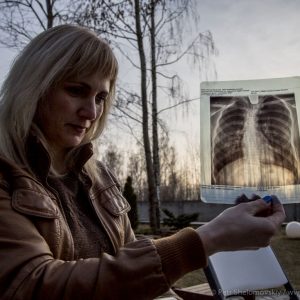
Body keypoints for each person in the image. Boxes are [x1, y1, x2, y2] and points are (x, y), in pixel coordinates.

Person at [0, 24, 285, 300]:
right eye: (76, 90)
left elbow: (138, 278)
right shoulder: (6, 175)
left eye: (101, 97)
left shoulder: (99, 179)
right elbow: (32, 285)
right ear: (35, 87)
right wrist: (205, 240)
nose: (91, 111)